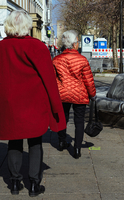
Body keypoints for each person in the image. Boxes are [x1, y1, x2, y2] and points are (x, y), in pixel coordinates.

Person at [0, 10, 66, 196]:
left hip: (10, 104)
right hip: (34, 104)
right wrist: (55, 106)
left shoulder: (1, 47)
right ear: (28, 25)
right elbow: (49, 79)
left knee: (14, 141)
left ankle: (14, 182)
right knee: (35, 142)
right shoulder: (37, 46)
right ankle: (34, 184)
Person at [53, 30, 96, 159]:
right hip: (79, 94)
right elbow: (88, 80)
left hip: (62, 94)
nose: (78, 43)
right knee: (79, 121)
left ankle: (61, 141)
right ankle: (77, 149)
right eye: (77, 41)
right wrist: (92, 94)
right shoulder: (82, 60)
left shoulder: (56, 60)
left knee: (62, 118)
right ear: (74, 44)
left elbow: (53, 79)